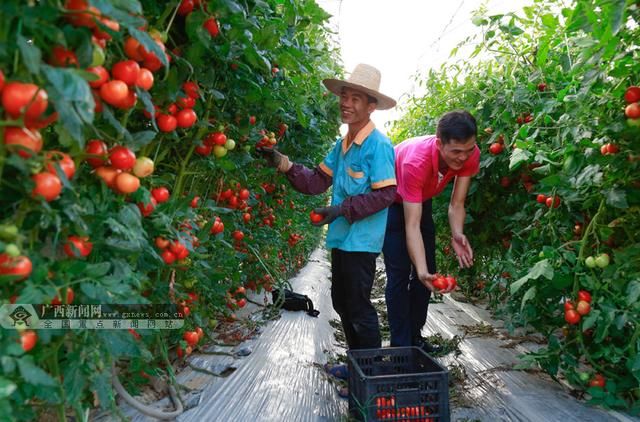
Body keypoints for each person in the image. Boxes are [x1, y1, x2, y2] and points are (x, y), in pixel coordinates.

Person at [258, 63, 397, 388]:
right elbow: (318, 181)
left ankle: (370, 378)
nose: (347, 103)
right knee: (342, 302)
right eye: (344, 96)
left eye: (356, 99)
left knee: (359, 308)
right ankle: (357, 367)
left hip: (361, 241)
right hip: (343, 240)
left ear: (371, 105)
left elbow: (387, 194)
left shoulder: (378, 145)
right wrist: (285, 164)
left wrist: (340, 209)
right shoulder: (343, 144)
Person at [383, 110, 479, 351]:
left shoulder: (470, 155)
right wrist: (421, 269)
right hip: (390, 199)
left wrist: (457, 233)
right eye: (456, 152)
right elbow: (411, 225)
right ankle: (400, 347)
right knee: (399, 273)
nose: (463, 157)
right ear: (439, 144)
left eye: (468, 150)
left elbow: (457, 204)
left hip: (420, 199)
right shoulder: (416, 162)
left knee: (428, 275)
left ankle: (415, 338)